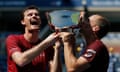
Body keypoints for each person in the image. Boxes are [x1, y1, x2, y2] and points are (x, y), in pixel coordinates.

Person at [6, 5, 62, 72]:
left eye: (37, 14)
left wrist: (57, 49)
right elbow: (20, 61)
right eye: (30, 15)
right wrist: (46, 42)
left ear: (40, 22)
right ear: (23, 22)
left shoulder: (48, 47)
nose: (34, 16)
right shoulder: (12, 39)